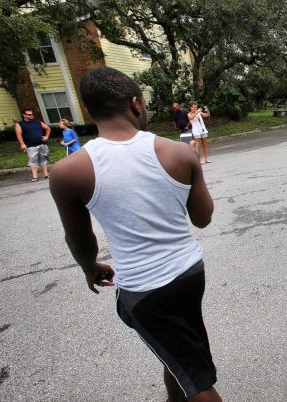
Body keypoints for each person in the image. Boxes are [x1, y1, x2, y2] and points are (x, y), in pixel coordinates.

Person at [49, 67, 220, 402]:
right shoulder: (179, 153)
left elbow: (79, 239)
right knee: (178, 355)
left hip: (144, 291)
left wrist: (89, 266)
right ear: (136, 105)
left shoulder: (68, 171)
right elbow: (203, 218)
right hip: (189, 274)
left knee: (195, 377)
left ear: (89, 111)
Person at [15, 108, 51, 182]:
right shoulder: (20, 124)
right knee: (33, 160)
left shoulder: (38, 122)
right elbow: (19, 135)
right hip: (31, 145)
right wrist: (22, 144)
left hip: (42, 144)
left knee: (43, 159)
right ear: (24, 115)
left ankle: (46, 174)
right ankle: (35, 176)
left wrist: (46, 136)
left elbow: (47, 128)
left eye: (32, 114)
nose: (31, 115)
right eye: (29, 114)